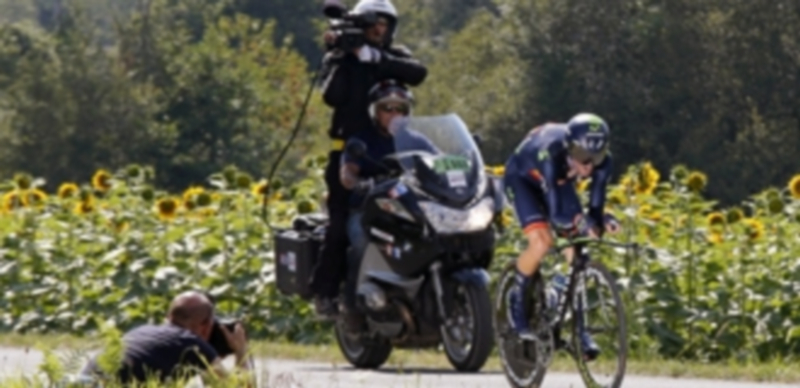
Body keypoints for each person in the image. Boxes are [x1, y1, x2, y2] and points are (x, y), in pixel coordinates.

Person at [310, 0, 428, 319]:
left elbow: (418, 73)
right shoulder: (344, 57)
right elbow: (331, 96)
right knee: (339, 226)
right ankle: (326, 293)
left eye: (385, 23)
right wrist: (345, 57)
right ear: (360, 25)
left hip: (393, 148)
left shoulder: (395, 55)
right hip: (349, 152)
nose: (379, 29)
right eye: (373, 23)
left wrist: (376, 59)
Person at [502, 113, 620, 361]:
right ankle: (517, 302)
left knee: (577, 252)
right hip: (523, 178)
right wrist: (579, 220)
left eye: (596, 157)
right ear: (569, 148)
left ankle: (580, 330)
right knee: (543, 241)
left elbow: (595, 208)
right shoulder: (551, 155)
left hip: (557, 182)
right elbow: (556, 214)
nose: (588, 166)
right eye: (582, 157)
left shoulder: (601, 163)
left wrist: (601, 220)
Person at [338, 80, 436, 332]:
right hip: (369, 212)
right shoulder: (361, 140)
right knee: (361, 240)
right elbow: (347, 173)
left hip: (408, 211)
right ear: (375, 112)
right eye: (387, 108)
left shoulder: (417, 141)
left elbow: (440, 163)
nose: (394, 114)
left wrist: (464, 168)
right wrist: (357, 182)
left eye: (400, 109)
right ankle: (352, 305)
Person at [80, 291, 252, 386]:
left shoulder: (141, 331)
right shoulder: (191, 343)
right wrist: (240, 351)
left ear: (169, 315)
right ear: (206, 325)